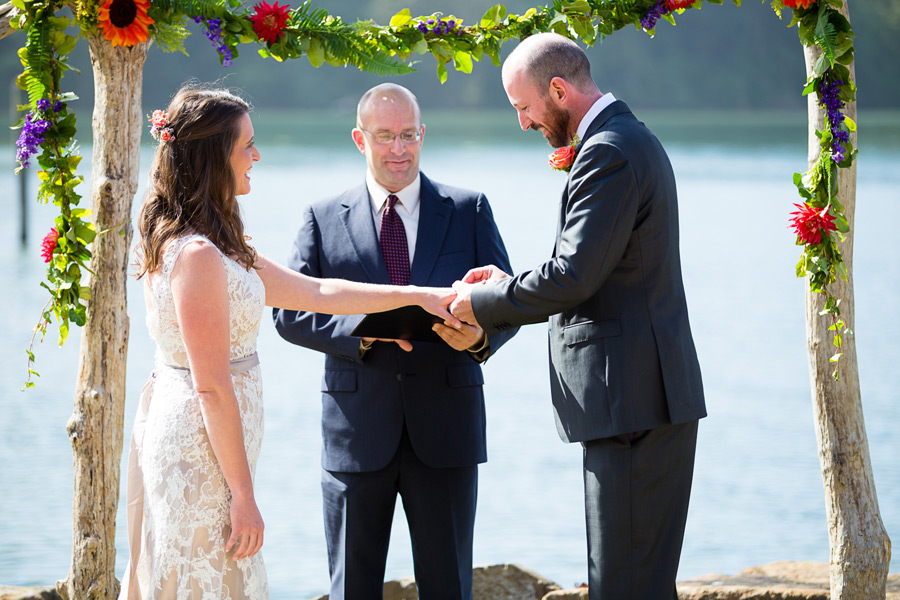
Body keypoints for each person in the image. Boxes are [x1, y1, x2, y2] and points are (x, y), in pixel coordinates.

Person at [119, 85, 457, 600]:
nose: (256, 156)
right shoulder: (197, 257)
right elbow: (210, 387)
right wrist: (243, 495)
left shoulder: (222, 245)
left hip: (217, 449)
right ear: (215, 156)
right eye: (246, 146)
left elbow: (318, 291)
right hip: (200, 451)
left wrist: (423, 295)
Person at [450, 33, 707, 599]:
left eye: (523, 107)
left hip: (633, 405)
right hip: (640, 398)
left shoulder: (610, 151)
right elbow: (593, 266)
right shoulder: (624, 141)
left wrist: (480, 303)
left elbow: (573, 276)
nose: (522, 123)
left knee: (623, 584)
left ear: (559, 91)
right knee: (635, 582)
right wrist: (505, 285)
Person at [273, 83, 516, 599]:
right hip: (356, 435)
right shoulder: (321, 217)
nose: (399, 149)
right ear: (360, 139)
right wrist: (365, 334)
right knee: (352, 590)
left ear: (423, 134)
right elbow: (288, 312)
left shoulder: (469, 209)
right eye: (385, 136)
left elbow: (508, 300)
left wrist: (478, 338)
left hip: (446, 432)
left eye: (408, 135)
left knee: (448, 588)